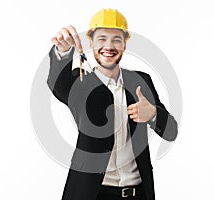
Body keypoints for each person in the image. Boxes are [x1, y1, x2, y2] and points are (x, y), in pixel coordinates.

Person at [47, 8, 178, 200]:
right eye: (101, 39)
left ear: (125, 43)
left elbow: (171, 131)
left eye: (116, 39)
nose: (109, 46)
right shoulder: (80, 83)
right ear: (91, 42)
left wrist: (153, 114)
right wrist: (63, 50)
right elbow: (58, 83)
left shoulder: (141, 81)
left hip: (137, 193)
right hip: (92, 193)